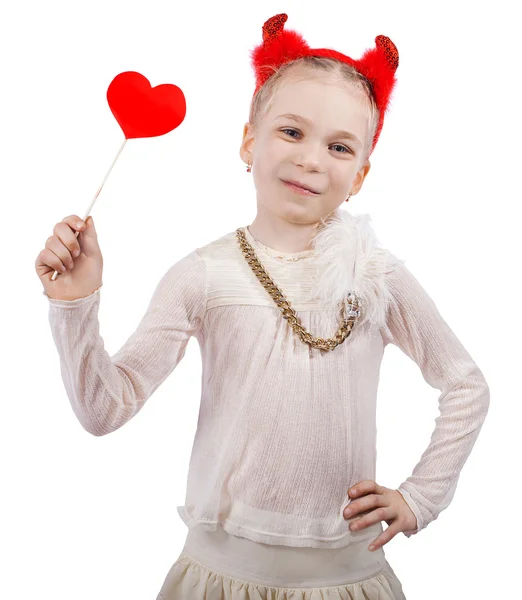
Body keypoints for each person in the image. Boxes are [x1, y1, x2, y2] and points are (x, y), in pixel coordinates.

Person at [35, 13, 490, 600]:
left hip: (347, 577)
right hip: (221, 577)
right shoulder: (202, 276)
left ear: (360, 175)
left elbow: (466, 384)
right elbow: (104, 409)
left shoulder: (378, 275)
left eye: (340, 146)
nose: (311, 159)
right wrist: (75, 305)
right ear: (250, 140)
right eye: (292, 132)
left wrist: (421, 496)